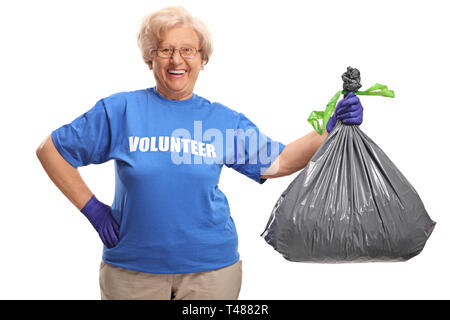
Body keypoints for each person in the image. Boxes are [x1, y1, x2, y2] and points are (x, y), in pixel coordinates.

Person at [36, 6, 363, 300]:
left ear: (202, 59)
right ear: (150, 58)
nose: (177, 60)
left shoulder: (222, 121)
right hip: (132, 272)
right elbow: (51, 150)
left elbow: (280, 162)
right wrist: (93, 209)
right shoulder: (120, 111)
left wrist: (330, 128)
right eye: (165, 50)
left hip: (211, 273)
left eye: (188, 50)